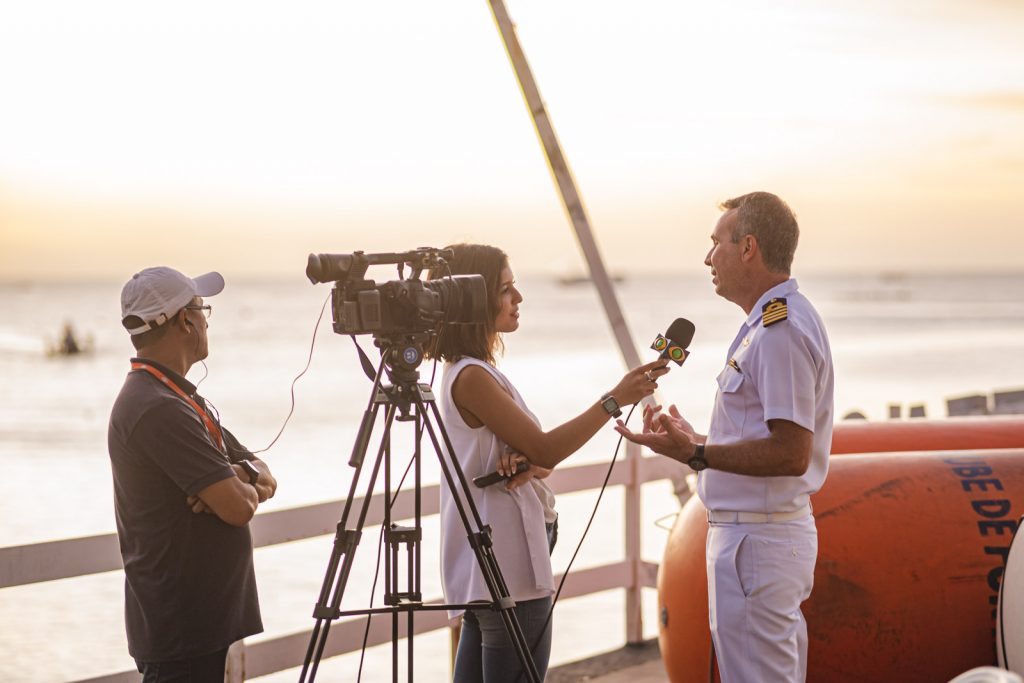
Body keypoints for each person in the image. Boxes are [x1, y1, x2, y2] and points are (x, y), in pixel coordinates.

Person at [616, 192, 834, 682]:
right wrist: (693, 442)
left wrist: (696, 452)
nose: (708, 257)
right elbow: (759, 434)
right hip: (753, 538)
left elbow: (791, 453)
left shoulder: (780, 330)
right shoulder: (767, 323)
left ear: (748, 247)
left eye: (716, 243)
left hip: (759, 541)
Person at [426, 244, 668, 683]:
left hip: (486, 571)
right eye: (505, 289)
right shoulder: (473, 376)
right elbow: (547, 449)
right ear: (473, 299)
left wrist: (529, 463)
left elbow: (537, 459)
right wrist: (615, 399)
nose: (517, 297)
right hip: (509, 573)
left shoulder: (467, 370)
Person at [107, 266, 278, 682]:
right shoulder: (158, 408)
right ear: (185, 320)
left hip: (197, 628)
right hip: (182, 631)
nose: (206, 321)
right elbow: (239, 508)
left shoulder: (176, 398)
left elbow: (266, 476)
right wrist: (238, 485)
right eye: (203, 310)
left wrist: (237, 472)